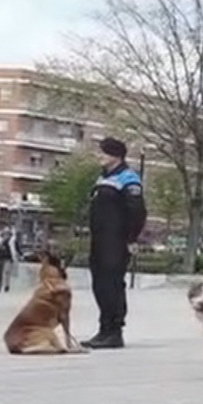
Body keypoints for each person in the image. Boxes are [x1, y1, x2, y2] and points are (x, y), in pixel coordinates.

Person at [82, 137, 147, 349]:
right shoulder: (103, 178)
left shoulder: (128, 179)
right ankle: (103, 329)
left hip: (116, 241)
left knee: (112, 285)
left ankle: (114, 331)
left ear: (115, 156)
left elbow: (137, 212)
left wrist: (131, 238)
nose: (99, 156)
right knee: (99, 285)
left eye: (103, 152)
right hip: (99, 241)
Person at [0, 227, 18, 293]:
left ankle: (6, 285)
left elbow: (16, 248)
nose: (6, 235)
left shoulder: (11, 240)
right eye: (5, 233)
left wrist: (18, 255)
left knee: (7, 271)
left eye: (8, 233)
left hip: (7, 258)